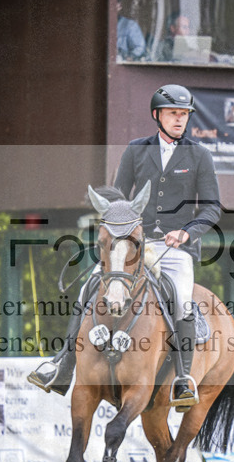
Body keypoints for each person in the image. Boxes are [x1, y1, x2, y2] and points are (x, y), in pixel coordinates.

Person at [28, 84, 222, 411]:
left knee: (182, 300)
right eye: (174, 113)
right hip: (132, 243)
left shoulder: (199, 154)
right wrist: (118, 234)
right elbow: (117, 202)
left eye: (184, 114)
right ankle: (62, 364)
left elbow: (212, 208)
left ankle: (183, 379)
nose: (180, 120)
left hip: (174, 250)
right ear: (157, 116)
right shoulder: (135, 150)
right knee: (89, 288)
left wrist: (187, 233)